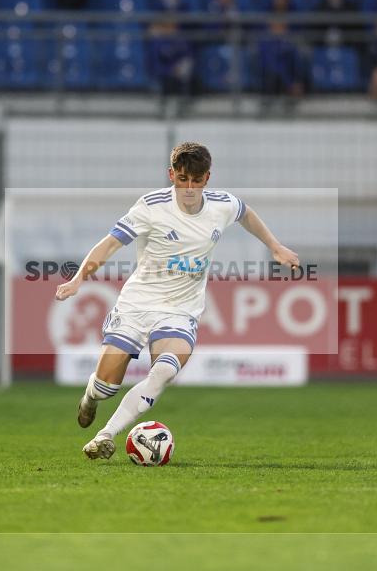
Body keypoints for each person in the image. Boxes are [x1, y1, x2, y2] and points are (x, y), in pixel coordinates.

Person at [56, 142, 300, 460]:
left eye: (196, 181)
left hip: (180, 311)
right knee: (106, 386)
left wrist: (275, 246)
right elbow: (109, 245)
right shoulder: (150, 207)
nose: (188, 187)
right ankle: (90, 398)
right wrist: (78, 279)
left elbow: (246, 214)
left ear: (207, 179)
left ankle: (105, 436)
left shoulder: (221, 205)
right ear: (171, 174)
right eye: (182, 178)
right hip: (137, 306)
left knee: (164, 372)